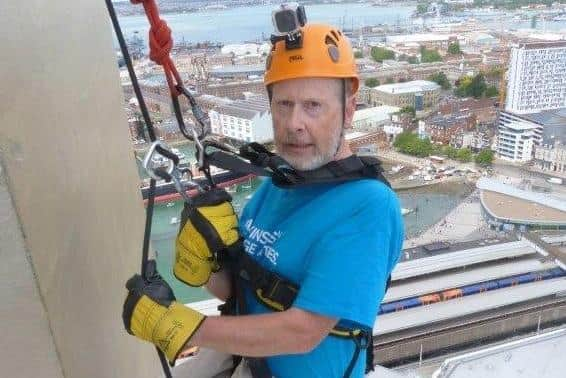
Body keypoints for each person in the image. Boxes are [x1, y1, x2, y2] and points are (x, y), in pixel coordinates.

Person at [122, 21, 403, 378]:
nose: (293, 123)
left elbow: (303, 332)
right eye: (283, 105)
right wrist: (205, 265)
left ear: (349, 110)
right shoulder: (277, 186)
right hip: (249, 364)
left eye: (313, 105)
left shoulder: (367, 207)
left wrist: (183, 327)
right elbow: (238, 291)